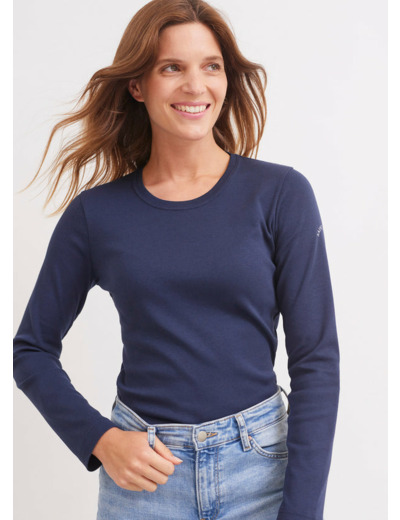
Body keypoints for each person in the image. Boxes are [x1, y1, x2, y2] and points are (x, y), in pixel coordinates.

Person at [13, 0, 340, 519]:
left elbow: (316, 361)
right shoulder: (96, 215)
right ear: (137, 85)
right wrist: (100, 439)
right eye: (172, 68)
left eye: (211, 66)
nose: (195, 85)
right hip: (145, 479)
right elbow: (31, 350)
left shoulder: (280, 195)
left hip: (260, 471)